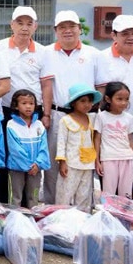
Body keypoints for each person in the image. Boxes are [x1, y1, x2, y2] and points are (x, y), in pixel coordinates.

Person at [40, 10, 101, 204]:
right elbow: (47, 86)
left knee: (85, 161)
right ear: (55, 30)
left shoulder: (93, 54)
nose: (67, 31)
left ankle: (83, 208)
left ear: (79, 29)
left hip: (86, 117)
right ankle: (52, 207)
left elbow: (100, 86)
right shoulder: (47, 52)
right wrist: (47, 115)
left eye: (72, 26)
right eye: (62, 27)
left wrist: (95, 113)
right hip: (59, 114)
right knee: (55, 162)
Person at [0, 6, 47, 204]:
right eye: (20, 23)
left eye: (29, 23)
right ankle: (3, 204)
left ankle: (29, 207)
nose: (24, 28)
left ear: (35, 26)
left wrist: (45, 114)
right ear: (11, 25)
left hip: (33, 112)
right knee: (5, 157)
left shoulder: (42, 51)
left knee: (30, 157)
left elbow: (46, 84)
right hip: (6, 111)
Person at [97, 14, 133, 114]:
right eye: (125, 34)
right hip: (113, 121)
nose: (131, 37)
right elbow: (100, 92)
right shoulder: (101, 57)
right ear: (114, 35)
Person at [54, 83, 100, 212]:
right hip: (71, 163)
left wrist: (96, 160)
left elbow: (94, 140)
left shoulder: (92, 119)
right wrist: (62, 162)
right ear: (73, 103)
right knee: (65, 194)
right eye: (83, 101)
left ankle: (82, 222)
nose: (87, 104)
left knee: (84, 195)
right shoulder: (65, 120)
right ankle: (61, 220)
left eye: (90, 101)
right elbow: (61, 142)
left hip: (88, 163)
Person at [5, 89, 49, 208]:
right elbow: (15, 149)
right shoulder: (11, 125)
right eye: (24, 103)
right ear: (16, 106)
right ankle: (14, 221)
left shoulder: (39, 125)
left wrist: (38, 164)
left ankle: (32, 221)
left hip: (36, 168)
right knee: (15, 197)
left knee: (33, 197)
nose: (28, 107)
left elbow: (43, 146)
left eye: (31, 103)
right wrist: (29, 165)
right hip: (16, 168)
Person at [95, 82, 133, 198]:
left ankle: (124, 215)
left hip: (127, 158)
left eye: (126, 99)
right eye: (119, 99)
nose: (123, 103)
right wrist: (97, 160)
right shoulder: (101, 117)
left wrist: (131, 156)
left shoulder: (130, 118)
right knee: (108, 192)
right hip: (108, 158)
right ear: (108, 99)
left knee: (126, 192)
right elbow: (97, 139)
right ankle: (107, 214)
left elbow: (130, 139)